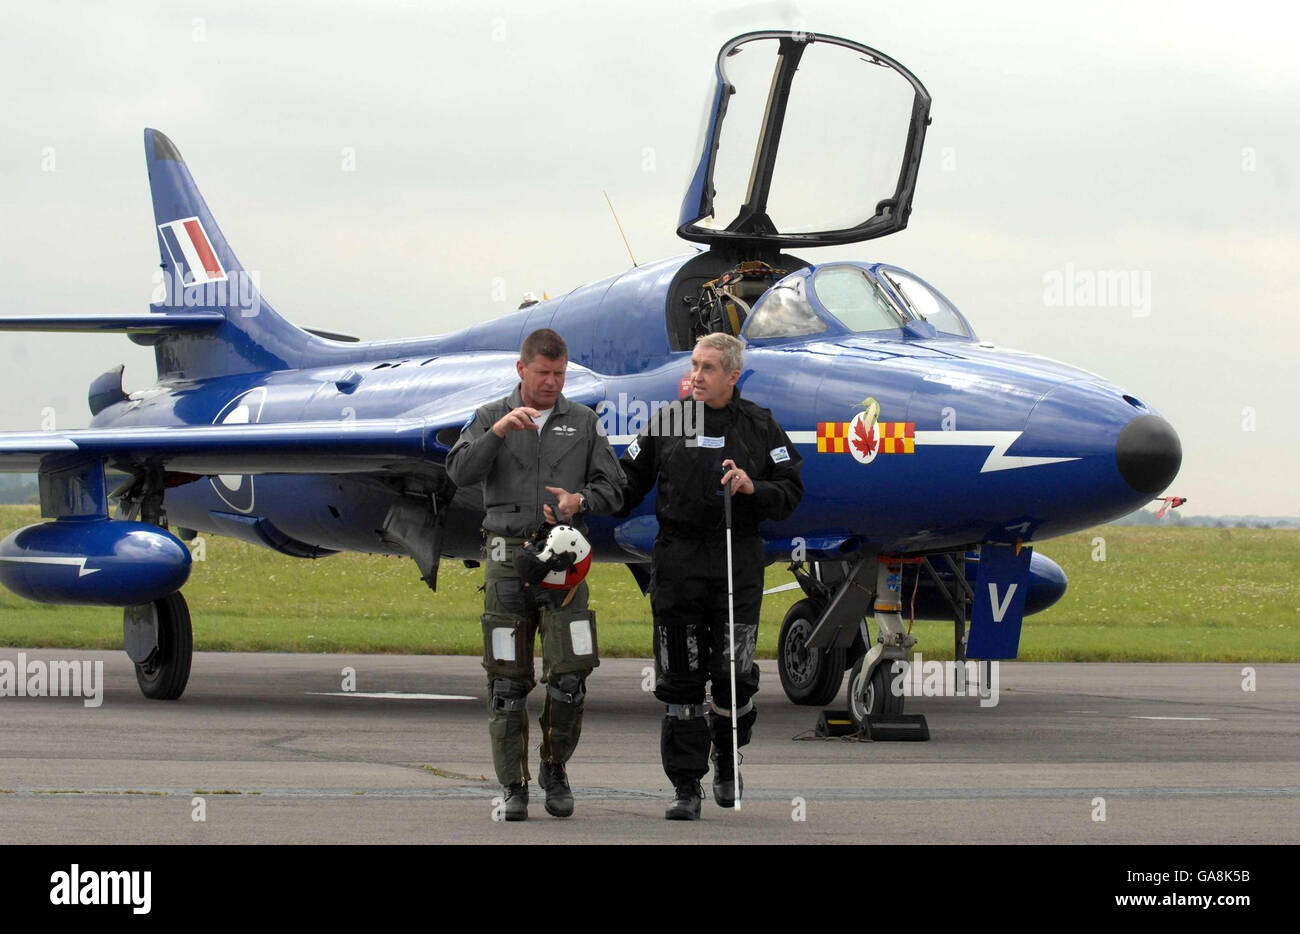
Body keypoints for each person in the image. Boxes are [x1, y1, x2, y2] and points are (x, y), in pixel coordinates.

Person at [619, 332, 803, 820]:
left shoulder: (761, 426)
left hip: (735, 562)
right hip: (678, 562)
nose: (696, 375)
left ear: (733, 376)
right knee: (680, 681)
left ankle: (727, 758)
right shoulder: (667, 420)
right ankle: (685, 786)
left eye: (707, 368)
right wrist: (582, 497)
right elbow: (624, 483)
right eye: (694, 365)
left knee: (733, 677)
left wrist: (753, 486)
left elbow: (790, 492)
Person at [446, 328, 624, 821]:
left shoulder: (583, 422)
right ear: (521, 370)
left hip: (562, 565)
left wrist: (579, 502)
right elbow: (458, 472)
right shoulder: (489, 418)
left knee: (570, 678)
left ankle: (554, 767)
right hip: (506, 565)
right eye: (543, 373)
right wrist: (499, 431)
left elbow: (615, 488)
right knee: (506, 686)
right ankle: (512, 786)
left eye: (560, 374)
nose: (551, 383)